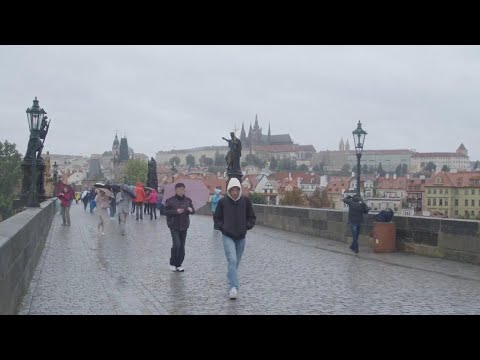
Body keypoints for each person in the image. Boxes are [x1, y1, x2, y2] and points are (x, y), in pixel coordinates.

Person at [213, 177, 256, 300]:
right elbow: (217, 218)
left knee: (236, 262)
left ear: (240, 190)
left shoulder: (246, 201)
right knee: (232, 259)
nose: (235, 192)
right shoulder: (223, 202)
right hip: (228, 236)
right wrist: (223, 228)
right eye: (232, 190)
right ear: (229, 190)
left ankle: (230, 277)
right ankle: (234, 287)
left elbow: (252, 217)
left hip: (241, 236)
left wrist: (246, 227)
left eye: (237, 190)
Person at [165, 183, 195, 272]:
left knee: (182, 246)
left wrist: (191, 210)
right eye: (180, 189)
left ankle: (179, 264)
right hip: (174, 226)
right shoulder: (170, 200)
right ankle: (172, 263)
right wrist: (176, 211)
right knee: (176, 245)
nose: (181, 191)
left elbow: (193, 211)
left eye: (183, 189)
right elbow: (165, 211)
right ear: (176, 190)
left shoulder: (188, 200)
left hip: (184, 226)